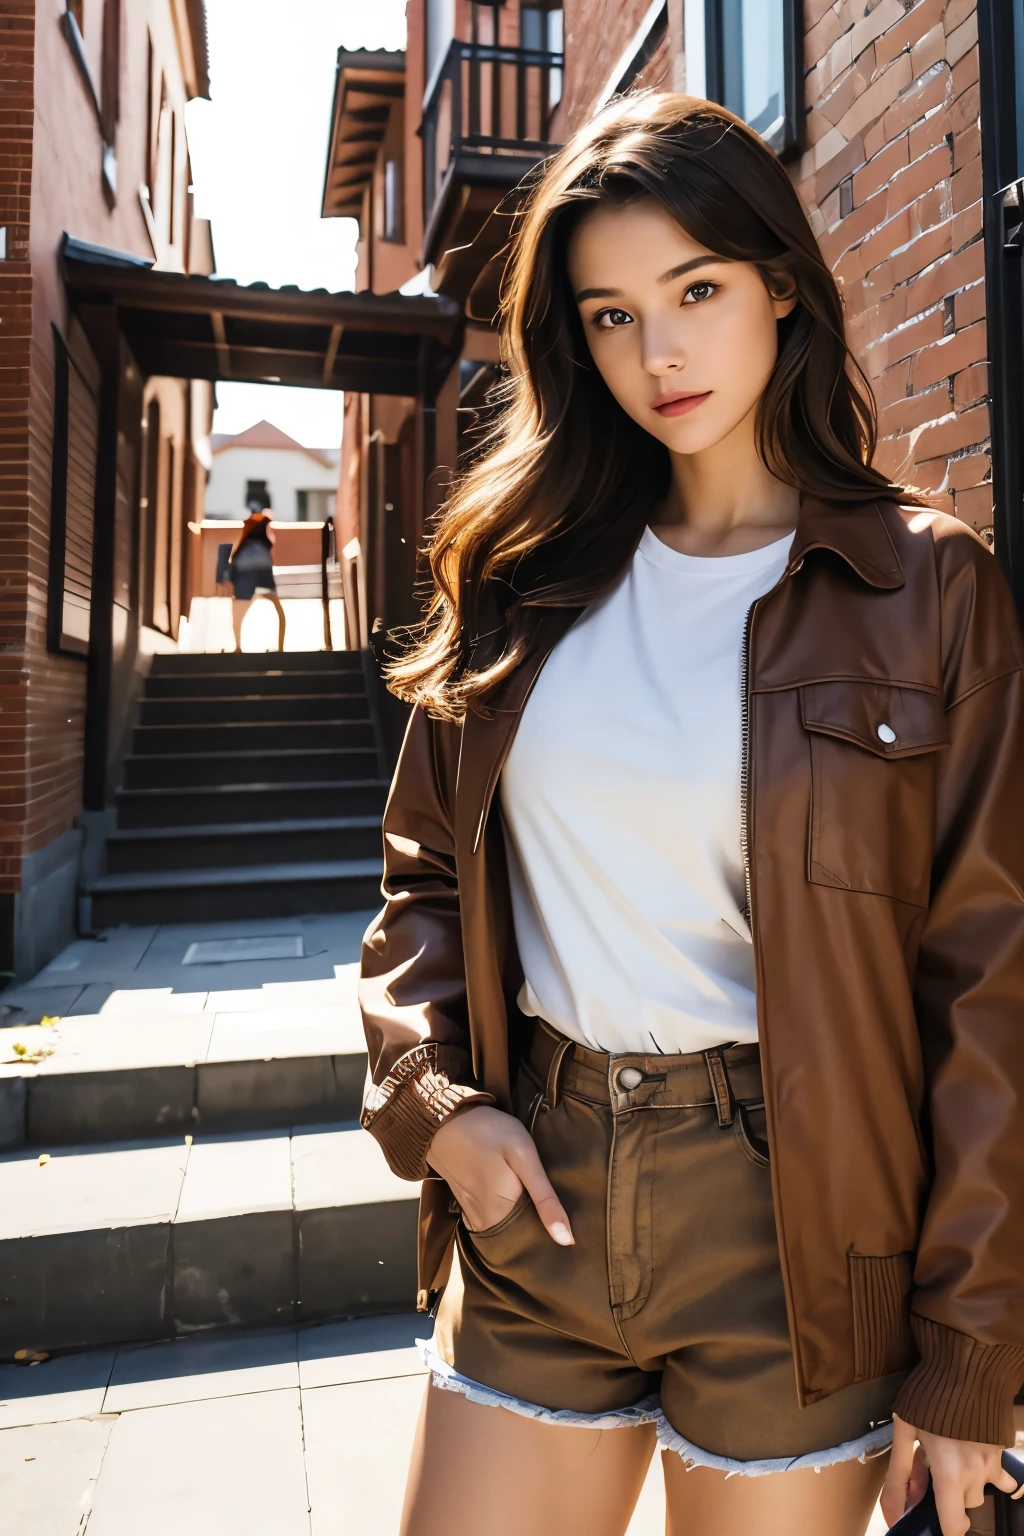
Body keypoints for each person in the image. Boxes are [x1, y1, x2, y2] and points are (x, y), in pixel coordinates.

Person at [358, 95, 1024, 1536]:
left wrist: (971, 1357)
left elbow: (990, 987)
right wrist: (436, 1108)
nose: (657, 353)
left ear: (781, 286)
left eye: (698, 292)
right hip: (544, 1184)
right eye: (608, 315)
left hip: (805, 1229)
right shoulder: (522, 573)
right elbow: (420, 871)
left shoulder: (926, 589)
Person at [225, 502, 286, 651]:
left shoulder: (245, 545)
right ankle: (280, 648)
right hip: (262, 572)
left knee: (237, 615)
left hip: (245, 574)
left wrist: (230, 581)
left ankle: (238, 647)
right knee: (278, 611)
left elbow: (233, 565)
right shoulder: (263, 545)